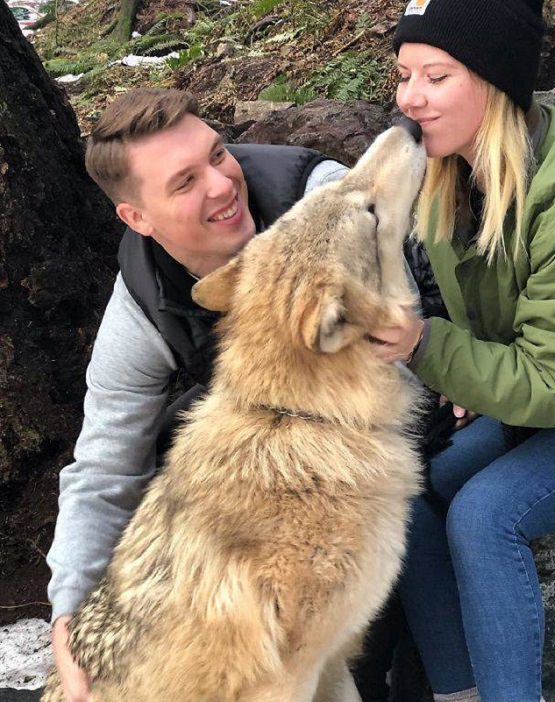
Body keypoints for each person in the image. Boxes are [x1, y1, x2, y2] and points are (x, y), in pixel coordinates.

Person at [368, 0, 555, 701]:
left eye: (436, 75)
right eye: (403, 75)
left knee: (486, 515)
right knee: (410, 491)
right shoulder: (453, 171)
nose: (410, 98)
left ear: (495, 81)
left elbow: (554, 384)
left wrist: (427, 345)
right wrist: (467, 369)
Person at [45, 87, 352, 701]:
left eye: (217, 155)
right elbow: (105, 467)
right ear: (138, 219)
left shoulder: (321, 199)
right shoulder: (141, 305)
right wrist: (70, 612)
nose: (220, 185)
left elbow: (412, 326)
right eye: (184, 183)